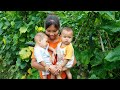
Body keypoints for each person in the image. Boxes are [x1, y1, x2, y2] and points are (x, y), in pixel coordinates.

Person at [31, 14, 77, 79]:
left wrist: (58, 69)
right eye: (48, 31)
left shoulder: (64, 41)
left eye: (54, 31)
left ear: (59, 29)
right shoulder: (41, 42)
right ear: (45, 29)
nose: (51, 34)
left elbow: (73, 61)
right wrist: (49, 69)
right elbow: (33, 63)